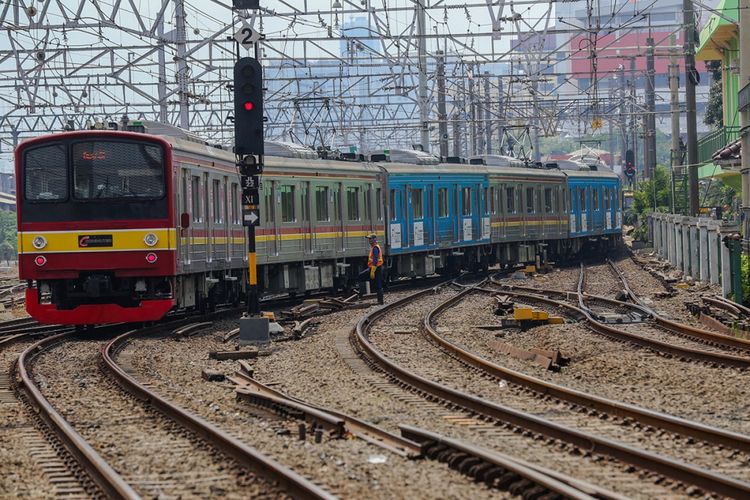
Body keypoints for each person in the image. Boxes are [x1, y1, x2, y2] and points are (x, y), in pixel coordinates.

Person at [357, 233, 384, 304]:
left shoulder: (375, 248)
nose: (369, 240)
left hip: (375, 268)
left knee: (361, 276)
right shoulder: (374, 247)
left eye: (371, 239)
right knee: (377, 283)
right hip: (375, 267)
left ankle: (361, 294)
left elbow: (375, 260)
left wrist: (372, 271)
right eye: (369, 239)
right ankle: (380, 301)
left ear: (375, 239)